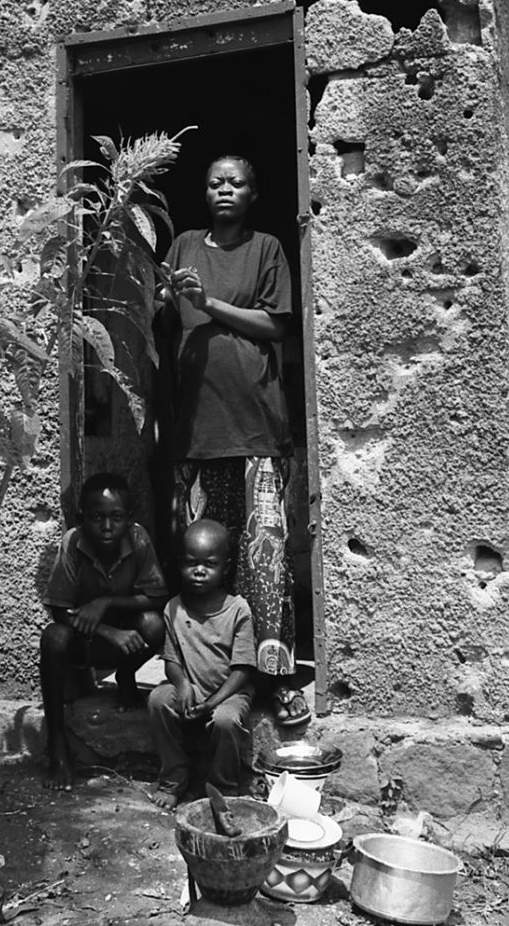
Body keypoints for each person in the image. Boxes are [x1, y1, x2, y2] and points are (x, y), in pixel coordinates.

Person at [157, 154, 309, 727]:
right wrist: (169, 302)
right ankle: (204, 678)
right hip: (197, 431)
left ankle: (276, 681)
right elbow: (164, 324)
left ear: (253, 192)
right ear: (205, 190)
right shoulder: (184, 246)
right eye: (216, 181)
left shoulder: (267, 248)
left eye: (237, 182)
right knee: (203, 562)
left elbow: (277, 325)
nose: (226, 189)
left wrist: (210, 305)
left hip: (255, 430)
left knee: (264, 562)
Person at [40, 472, 167, 791]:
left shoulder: (138, 539)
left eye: (116, 517)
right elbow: (59, 610)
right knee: (53, 636)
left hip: (127, 641)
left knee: (154, 623)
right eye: (97, 517)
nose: (107, 526)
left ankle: (126, 677)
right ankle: (57, 745)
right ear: (83, 518)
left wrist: (105, 602)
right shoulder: (73, 542)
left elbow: (157, 596)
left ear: (129, 518)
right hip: (85, 643)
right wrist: (109, 632)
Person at [148, 519, 255, 809]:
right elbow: (171, 660)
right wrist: (182, 684)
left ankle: (223, 787)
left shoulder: (238, 609)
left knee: (225, 720)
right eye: (191, 563)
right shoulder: (173, 608)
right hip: (191, 687)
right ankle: (173, 778)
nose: (199, 570)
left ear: (225, 567)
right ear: (180, 564)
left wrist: (212, 703)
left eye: (210, 564)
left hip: (229, 693)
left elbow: (242, 669)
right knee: (158, 699)